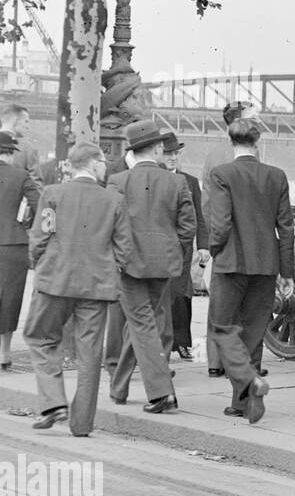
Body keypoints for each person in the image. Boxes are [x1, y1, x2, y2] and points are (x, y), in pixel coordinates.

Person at [24, 143, 131, 435]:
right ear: (94, 163)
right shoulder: (114, 200)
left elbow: (40, 237)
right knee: (90, 354)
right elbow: (125, 249)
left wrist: (39, 264)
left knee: (40, 337)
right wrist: (111, 269)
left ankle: (53, 402)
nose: (105, 167)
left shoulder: (52, 194)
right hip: (96, 286)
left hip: (55, 281)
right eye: (103, 162)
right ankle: (82, 424)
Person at [206, 119, 293, 424]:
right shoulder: (276, 176)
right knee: (254, 333)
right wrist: (286, 272)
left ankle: (248, 382)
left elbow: (220, 224)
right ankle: (243, 404)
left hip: (230, 263)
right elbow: (286, 227)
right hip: (266, 265)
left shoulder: (221, 174)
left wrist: (213, 253)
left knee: (222, 328)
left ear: (230, 141)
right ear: (257, 143)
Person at [108, 119, 196, 413]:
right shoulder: (177, 182)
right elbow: (188, 227)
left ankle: (161, 394)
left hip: (129, 265)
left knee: (141, 324)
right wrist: (171, 250)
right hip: (164, 265)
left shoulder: (117, 181)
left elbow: (110, 225)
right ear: (158, 149)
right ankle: (119, 387)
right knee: (146, 323)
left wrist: (119, 256)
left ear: (133, 151)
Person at [203, 100, 265, 379]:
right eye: (254, 117)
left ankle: (217, 362)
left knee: (221, 305)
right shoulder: (242, 154)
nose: (259, 121)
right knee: (246, 306)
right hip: (240, 238)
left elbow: (208, 203)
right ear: (239, 122)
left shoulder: (215, 152)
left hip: (224, 239)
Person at [162, 133, 209, 360]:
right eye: (168, 153)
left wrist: (203, 246)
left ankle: (182, 343)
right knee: (162, 296)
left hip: (183, 248)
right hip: (159, 247)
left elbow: (199, 216)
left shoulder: (190, 182)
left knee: (182, 295)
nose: (173, 157)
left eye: (176, 153)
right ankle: (161, 344)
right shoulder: (154, 179)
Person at [0, 130, 41, 368]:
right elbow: (40, 206)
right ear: (10, 153)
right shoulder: (21, 176)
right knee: (10, 298)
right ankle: (4, 354)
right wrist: (28, 225)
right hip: (13, 245)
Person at [0, 103, 43, 191]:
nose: (28, 127)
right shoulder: (27, 149)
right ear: (16, 121)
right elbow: (36, 188)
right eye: (26, 121)